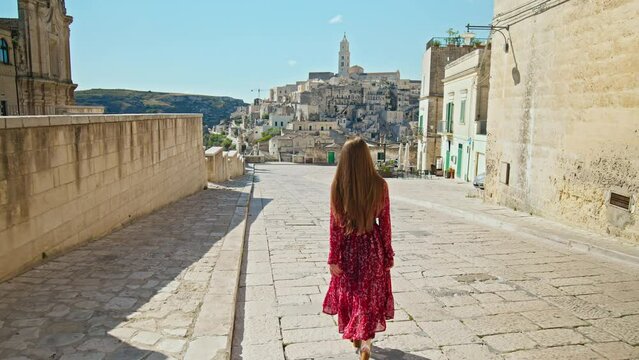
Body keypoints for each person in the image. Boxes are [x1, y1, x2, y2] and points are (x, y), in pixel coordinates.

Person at [322, 137, 394, 360]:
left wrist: (333, 257)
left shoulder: (337, 186)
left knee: (352, 295)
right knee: (369, 297)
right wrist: (387, 253)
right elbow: (385, 223)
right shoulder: (380, 185)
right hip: (372, 247)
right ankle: (366, 343)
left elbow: (335, 226)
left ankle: (357, 337)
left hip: (348, 248)